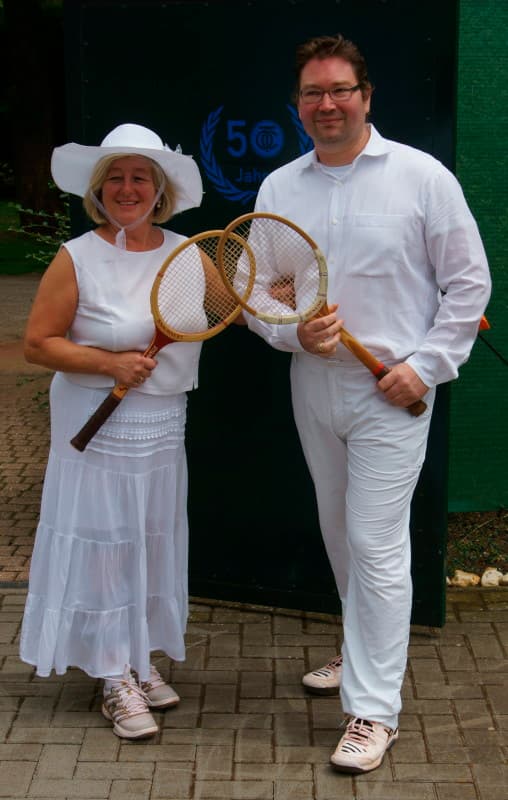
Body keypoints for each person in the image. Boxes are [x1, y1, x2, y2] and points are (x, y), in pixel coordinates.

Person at [246, 34, 491, 773]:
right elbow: (258, 291)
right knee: (338, 531)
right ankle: (361, 650)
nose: (327, 104)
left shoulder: (422, 177)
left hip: (393, 389)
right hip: (313, 382)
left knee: (377, 542)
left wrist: (427, 367)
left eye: (340, 90)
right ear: (298, 105)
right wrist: (291, 333)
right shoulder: (279, 188)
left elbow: (468, 284)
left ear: (366, 96)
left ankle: (374, 711)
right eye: (313, 93)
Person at [20, 123, 205, 739]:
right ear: (99, 190)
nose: (128, 188)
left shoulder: (186, 253)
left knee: (148, 537)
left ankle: (138, 657)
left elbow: (232, 309)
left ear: (160, 190)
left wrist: (283, 301)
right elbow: (37, 344)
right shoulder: (76, 256)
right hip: (92, 425)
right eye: (116, 178)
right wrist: (109, 364)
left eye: (140, 177)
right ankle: (110, 674)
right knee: (104, 543)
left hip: (161, 424)